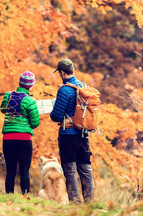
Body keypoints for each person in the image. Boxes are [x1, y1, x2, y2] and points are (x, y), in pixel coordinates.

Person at [50, 58, 95, 204]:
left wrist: (53, 110)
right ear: (73, 70)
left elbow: (56, 115)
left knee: (70, 168)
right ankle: (90, 202)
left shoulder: (64, 90)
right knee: (85, 168)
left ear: (62, 72)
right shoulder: (83, 86)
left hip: (67, 135)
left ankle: (75, 203)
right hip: (83, 133)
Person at [0, 71, 40, 194]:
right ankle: (25, 197)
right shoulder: (30, 101)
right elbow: (35, 123)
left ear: (19, 83)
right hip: (24, 139)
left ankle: (9, 196)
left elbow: (2, 109)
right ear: (31, 86)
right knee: (24, 170)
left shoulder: (8, 96)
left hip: (8, 138)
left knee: (10, 170)